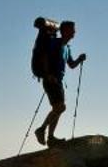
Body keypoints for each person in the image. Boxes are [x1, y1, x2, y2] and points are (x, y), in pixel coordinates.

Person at [33, 18, 85, 147]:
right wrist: (48, 74)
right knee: (60, 107)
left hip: (59, 81)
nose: (75, 32)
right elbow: (45, 56)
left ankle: (50, 138)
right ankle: (41, 130)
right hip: (50, 80)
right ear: (65, 30)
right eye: (73, 29)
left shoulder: (67, 47)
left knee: (57, 109)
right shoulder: (54, 43)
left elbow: (71, 65)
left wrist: (79, 59)